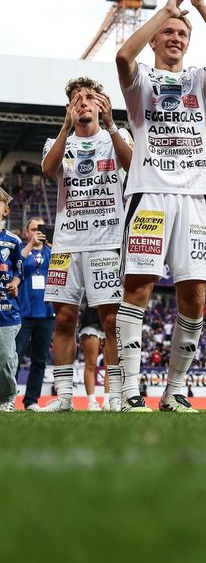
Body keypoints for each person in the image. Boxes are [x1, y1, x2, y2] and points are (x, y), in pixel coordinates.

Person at [115, 0, 206, 412]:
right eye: (168, 32)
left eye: (180, 33)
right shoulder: (142, 82)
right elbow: (122, 54)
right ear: (154, 39)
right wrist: (163, 11)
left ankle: (176, 389)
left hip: (194, 199)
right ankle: (130, 389)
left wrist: (200, 8)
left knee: (195, 295)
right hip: (149, 194)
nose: (174, 36)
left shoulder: (199, 81)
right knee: (139, 289)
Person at [34, 77, 132, 412]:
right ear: (69, 107)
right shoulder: (56, 141)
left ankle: (116, 395)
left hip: (106, 242)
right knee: (63, 320)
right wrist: (65, 127)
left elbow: (134, 165)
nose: (83, 103)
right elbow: (48, 170)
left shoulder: (115, 138)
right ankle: (63, 397)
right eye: (77, 99)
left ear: (101, 103)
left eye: (90, 98)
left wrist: (112, 125)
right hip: (66, 244)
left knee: (111, 322)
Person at [15, 217, 55, 408]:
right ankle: (7, 398)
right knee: (14, 359)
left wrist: (51, 243)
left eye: (40, 229)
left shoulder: (50, 251)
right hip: (23, 313)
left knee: (39, 361)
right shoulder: (21, 249)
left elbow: (64, 266)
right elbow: (17, 264)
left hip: (46, 314)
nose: (37, 233)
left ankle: (31, 400)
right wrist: (31, 244)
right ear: (26, 232)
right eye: (33, 229)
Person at [0, 189, 23, 411]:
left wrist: (15, 283)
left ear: (5, 210)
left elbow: (19, 271)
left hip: (6, 310)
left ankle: (7, 397)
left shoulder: (13, 241)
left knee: (5, 358)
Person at [79, 304, 106, 410]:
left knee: (110, 365)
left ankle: (108, 401)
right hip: (91, 319)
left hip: (110, 319)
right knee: (90, 364)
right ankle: (92, 402)